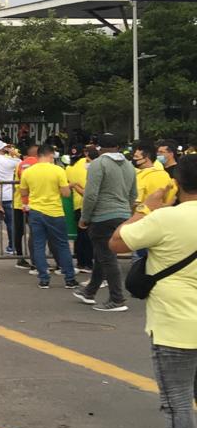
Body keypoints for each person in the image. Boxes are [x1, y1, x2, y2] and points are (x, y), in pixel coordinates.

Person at [111, 155, 197, 428]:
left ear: (176, 183)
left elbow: (117, 242)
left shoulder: (165, 218)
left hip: (175, 325)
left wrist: (144, 208)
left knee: (177, 405)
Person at [75, 133, 136, 312]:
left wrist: (85, 217)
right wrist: (126, 210)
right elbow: (133, 194)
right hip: (123, 213)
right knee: (103, 255)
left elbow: (91, 194)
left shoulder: (98, 164)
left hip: (102, 215)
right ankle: (90, 291)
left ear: (99, 148)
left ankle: (117, 298)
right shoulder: (129, 166)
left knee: (107, 257)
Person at [19, 144, 80, 290]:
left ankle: (44, 279)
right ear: (50, 155)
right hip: (55, 212)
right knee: (62, 245)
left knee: (39, 245)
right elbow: (65, 193)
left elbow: (23, 193)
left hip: (35, 211)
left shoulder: (28, 171)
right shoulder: (58, 170)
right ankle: (69, 278)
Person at [65, 144, 97, 274]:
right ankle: (88, 263)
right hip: (91, 204)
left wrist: (75, 186)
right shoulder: (92, 166)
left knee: (80, 235)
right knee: (88, 236)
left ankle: (81, 262)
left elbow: (69, 182)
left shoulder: (70, 167)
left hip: (78, 205)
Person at [0, 140, 21, 255]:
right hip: (8, 195)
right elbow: (23, 162)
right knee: (10, 223)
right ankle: (12, 247)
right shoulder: (11, 161)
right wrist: (14, 153)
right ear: (4, 149)